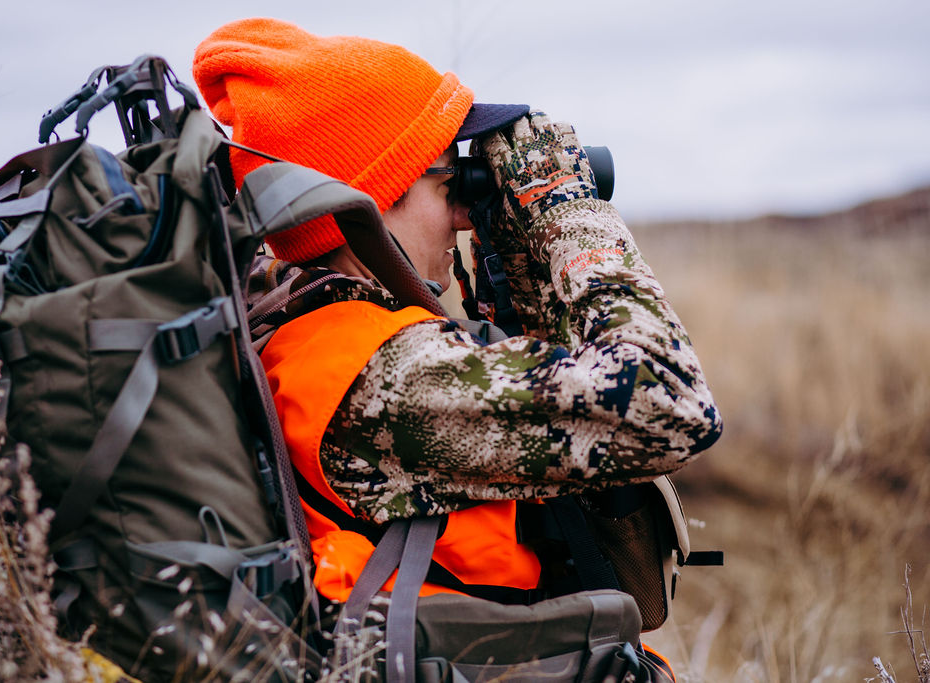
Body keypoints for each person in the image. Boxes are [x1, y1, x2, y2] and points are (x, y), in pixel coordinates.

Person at [193, 12, 720, 637]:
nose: (465, 218)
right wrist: (568, 214)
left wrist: (520, 268)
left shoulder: (304, 319)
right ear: (373, 196)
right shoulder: (383, 374)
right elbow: (670, 402)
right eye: (447, 185)